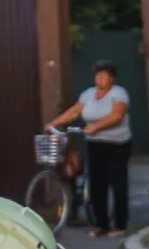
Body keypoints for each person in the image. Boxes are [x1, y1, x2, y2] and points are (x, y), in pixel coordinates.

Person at [48, 61, 130, 236]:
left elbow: (118, 115)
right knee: (97, 185)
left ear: (112, 78)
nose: (99, 78)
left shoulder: (119, 93)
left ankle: (120, 225)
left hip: (117, 145)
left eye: (104, 75)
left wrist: (96, 126)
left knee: (118, 184)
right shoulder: (88, 94)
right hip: (95, 145)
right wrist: (54, 123)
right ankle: (101, 225)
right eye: (97, 74)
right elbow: (75, 112)